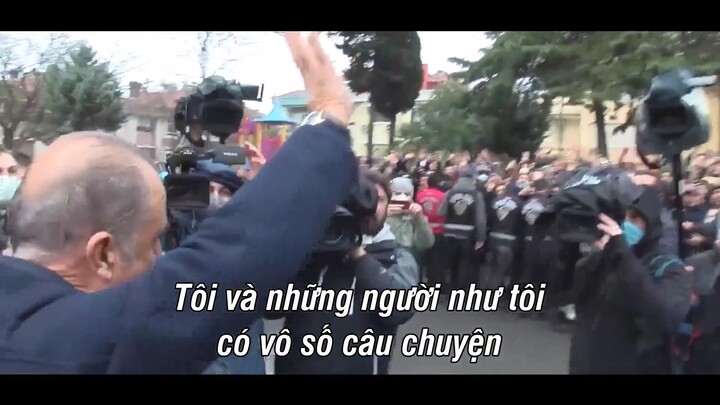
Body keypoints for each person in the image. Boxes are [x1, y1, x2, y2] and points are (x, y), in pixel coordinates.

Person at [0, 32, 357, 374]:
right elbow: (226, 266)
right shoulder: (67, 345)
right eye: (152, 241)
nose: (163, 257)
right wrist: (328, 119)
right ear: (103, 254)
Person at [268, 171, 419, 374]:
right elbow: (271, 309)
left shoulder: (398, 258)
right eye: (361, 200)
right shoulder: (312, 254)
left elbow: (399, 310)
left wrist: (357, 253)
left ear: (388, 206)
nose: (370, 207)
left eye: (379, 199)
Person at [568, 186, 693, 374]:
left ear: (651, 224)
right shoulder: (601, 260)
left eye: (635, 219)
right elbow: (577, 303)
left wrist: (623, 254)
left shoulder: (668, 268)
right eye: (622, 217)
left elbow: (667, 315)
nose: (626, 224)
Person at [438, 169, 486, 292]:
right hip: (467, 233)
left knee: (451, 262)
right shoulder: (477, 194)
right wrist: (481, 237)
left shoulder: (450, 192)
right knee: (464, 262)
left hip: (449, 231)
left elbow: (441, 212)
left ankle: (450, 287)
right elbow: (480, 218)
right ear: (472, 180)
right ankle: (460, 289)